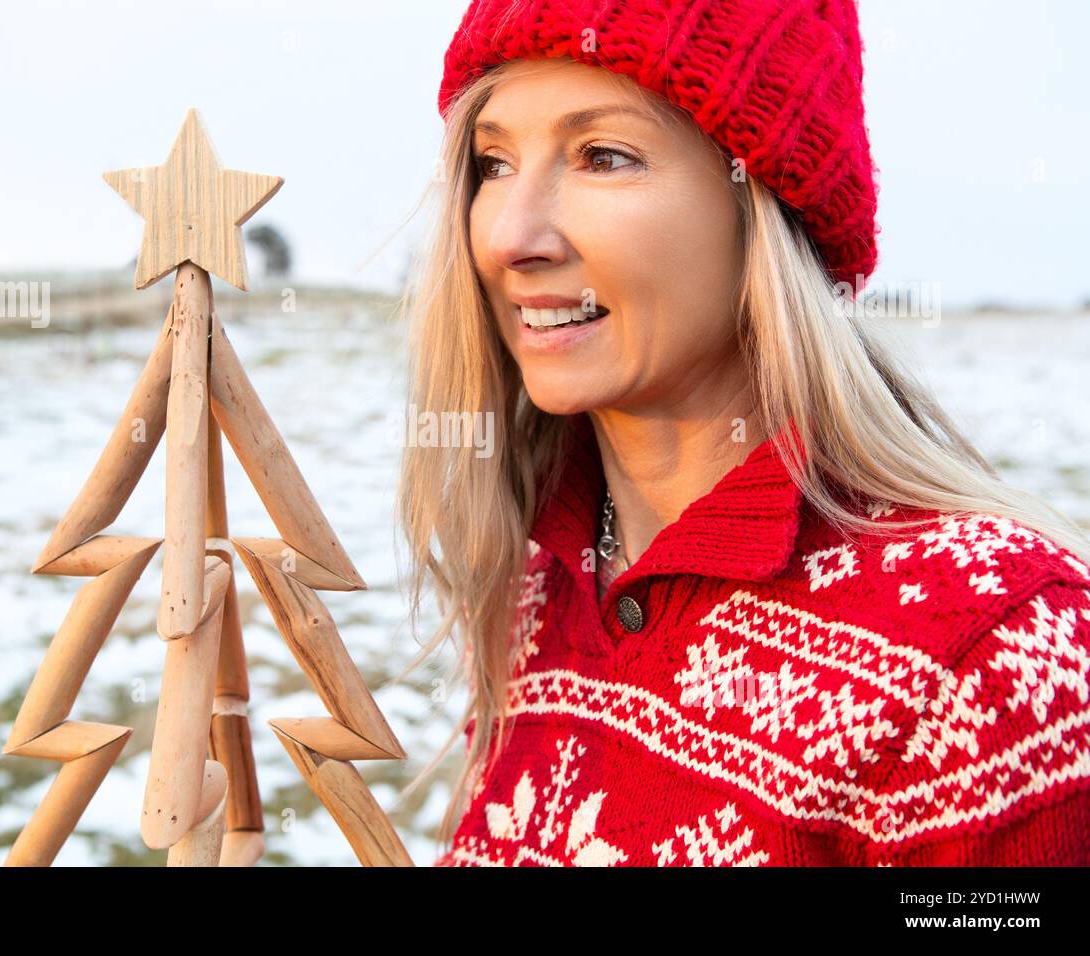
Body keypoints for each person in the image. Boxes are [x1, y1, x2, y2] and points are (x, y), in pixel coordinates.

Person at [393, 0, 1090, 866]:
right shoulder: (541, 586)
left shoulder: (987, 655)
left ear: (765, 203)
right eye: (493, 162)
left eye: (603, 155)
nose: (508, 236)